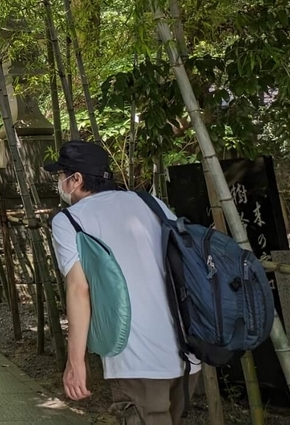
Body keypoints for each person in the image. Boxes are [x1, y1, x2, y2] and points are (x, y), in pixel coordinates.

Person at [46, 140, 195, 425]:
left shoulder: (70, 220)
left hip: (136, 357)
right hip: (188, 349)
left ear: (75, 179)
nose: (59, 183)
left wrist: (76, 362)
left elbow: (79, 290)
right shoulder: (151, 203)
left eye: (61, 175)